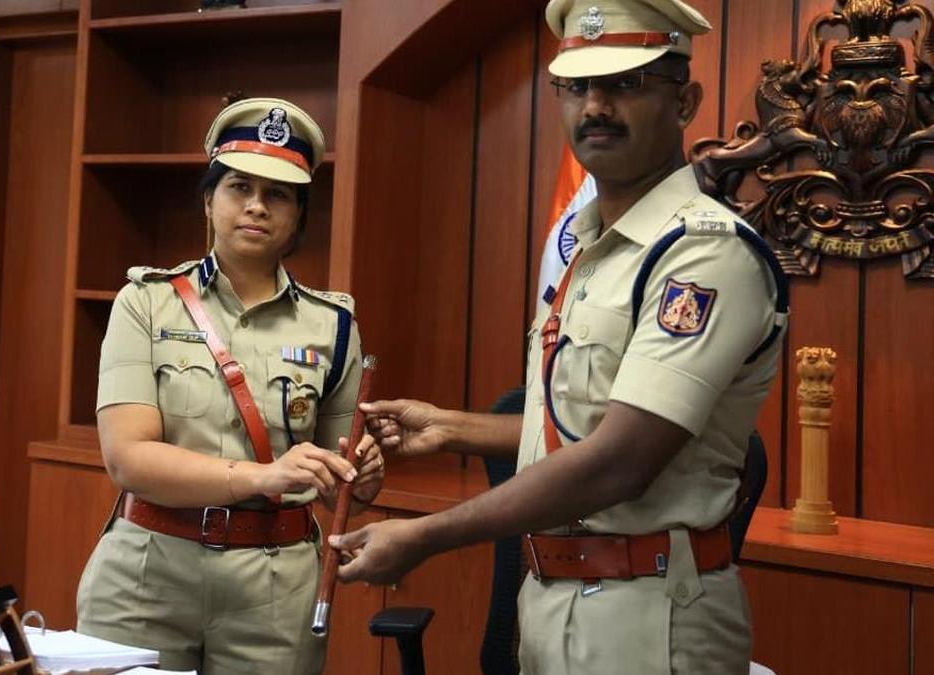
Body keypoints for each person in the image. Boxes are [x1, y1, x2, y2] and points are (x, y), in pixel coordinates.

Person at [330, 1, 789, 673]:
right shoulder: (593, 244)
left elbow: (620, 459)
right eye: (576, 86)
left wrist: (426, 535)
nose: (594, 107)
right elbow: (581, 423)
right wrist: (450, 427)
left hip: (648, 616)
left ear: (684, 102)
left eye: (625, 83)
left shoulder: (703, 254)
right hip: (553, 602)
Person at [76, 96, 384, 675]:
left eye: (278, 194)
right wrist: (263, 476)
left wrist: (362, 476)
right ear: (209, 200)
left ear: (298, 215)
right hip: (145, 576)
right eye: (239, 187)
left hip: (274, 589)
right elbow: (128, 458)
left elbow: (342, 483)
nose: (256, 206)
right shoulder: (146, 303)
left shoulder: (335, 325)